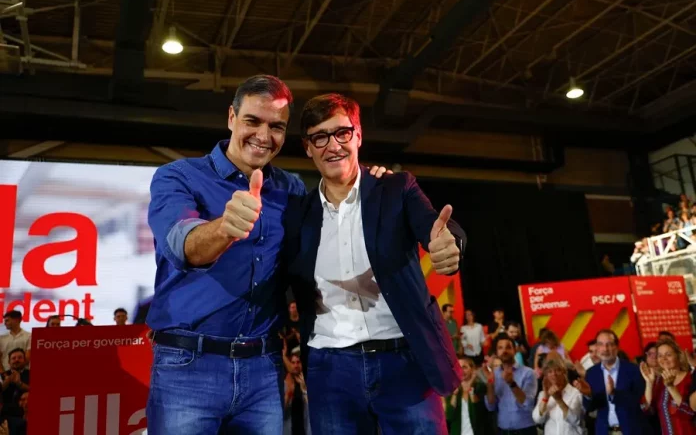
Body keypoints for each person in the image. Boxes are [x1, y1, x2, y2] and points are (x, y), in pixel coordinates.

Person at [145, 76, 388, 434]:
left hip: (262, 370)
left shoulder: (290, 188)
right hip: (187, 366)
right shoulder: (177, 176)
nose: (264, 135)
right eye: (253, 121)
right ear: (231, 117)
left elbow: (333, 229)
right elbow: (185, 245)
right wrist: (225, 227)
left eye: (276, 126)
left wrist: (372, 182)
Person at [285, 93, 465, 434]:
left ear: (358, 135)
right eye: (319, 137)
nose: (333, 145)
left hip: (404, 362)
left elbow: (433, 226)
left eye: (342, 133)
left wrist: (447, 244)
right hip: (330, 370)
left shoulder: (397, 188)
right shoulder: (298, 214)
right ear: (307, 147)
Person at [573, 329, 647, 435]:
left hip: (630, 430)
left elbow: (638, 402)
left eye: (609, 344)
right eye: (600, 344)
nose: (605, 349)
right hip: (604, 431)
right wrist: (588, 394)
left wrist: (614, 394)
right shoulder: (592, 373)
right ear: (597, 348)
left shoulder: (632, 370)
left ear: (617, 347)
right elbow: (590, 408)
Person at [482, 333, 537, 434]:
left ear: (515, 350)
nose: (504, 351)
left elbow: (527, 403)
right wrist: (490, 382)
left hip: (524, 429)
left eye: (508, 347)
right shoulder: (494, 374)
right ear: (497, 352)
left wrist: (512, 383)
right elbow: (491, 406)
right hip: (503, 430)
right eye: (500, 348)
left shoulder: (528, 373)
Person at [640, 338, 694, 434]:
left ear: (678, 356)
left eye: (668, 355)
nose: (663, 359)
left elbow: (690, 414)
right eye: (660, 356)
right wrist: (649, 383)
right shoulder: (658, 381)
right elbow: (646, 410)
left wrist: (671, 387)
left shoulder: (690, 378)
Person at [532, 358, 584, 434]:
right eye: (550, 372)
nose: (554, 374)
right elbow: (537, 419)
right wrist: (546, 397)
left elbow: (575, 420)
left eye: (557, 370)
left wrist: (559, 400)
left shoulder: (575, 393)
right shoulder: (543, 394)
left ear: (564, 373)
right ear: (546, 376)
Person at [446, 356, 495, 435]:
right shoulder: (452, 389)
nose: (461, 371)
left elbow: (479, 415)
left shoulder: (480, 387)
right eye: (458, 368)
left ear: (472, 369)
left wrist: (471, 387)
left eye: (464, 367)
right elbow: (449, 416)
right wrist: (454, 395)